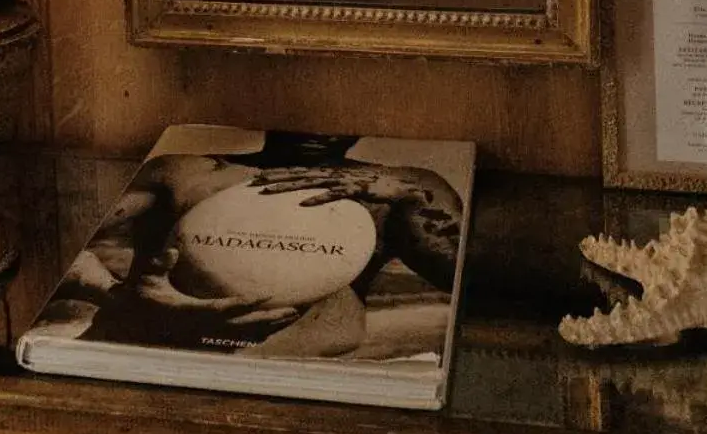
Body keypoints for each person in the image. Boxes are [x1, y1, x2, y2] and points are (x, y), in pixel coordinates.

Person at [56, 131, 463, 360]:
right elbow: (57, 235)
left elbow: (461, 283)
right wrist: (115, 300)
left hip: (308, 377)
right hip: (154, 357)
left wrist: (409, 194)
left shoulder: (396, 191)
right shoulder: (186, 172)